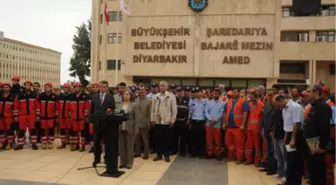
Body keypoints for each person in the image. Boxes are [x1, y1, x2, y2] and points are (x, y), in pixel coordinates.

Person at [273, 94, 304, 185]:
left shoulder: (295, 107)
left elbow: (296, 123)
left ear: (281, 100)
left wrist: (293, 139)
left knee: (295, 161)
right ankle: (289, 181)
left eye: (277, 105)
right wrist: (286, 136)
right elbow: (287, 124)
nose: (277, 107)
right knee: (289, 160)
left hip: (296, 135)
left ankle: (294, 182)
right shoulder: (284, 109)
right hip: (288, 135)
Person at [304, 85, 332, 185]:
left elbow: (324, 128)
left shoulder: (323, 106)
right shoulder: (314, 105)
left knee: (318, 170)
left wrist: (322, 146)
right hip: (311, 141)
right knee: (312, 169)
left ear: (316, 93)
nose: (307, 94)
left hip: (317, 142)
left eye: (309, 92)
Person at [151, 81, 177, 162]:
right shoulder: (155, 96)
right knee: (158, 139)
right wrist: (152, 119)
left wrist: (173, 120)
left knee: (166, 139)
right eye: (160, 86)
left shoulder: (171, 96)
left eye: (163, 86)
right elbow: (152, 109)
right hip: (157, 120)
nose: (162, 87)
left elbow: (174, 109)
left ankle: (166, 155)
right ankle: (159, 155)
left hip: (167, 121)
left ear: (167, 87)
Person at [223, 88, 249, 164]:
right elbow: (225, 113)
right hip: (229, 126)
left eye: (235, 92)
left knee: (239, 144)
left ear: (239, 93)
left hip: (238, 127)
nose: (234, 94)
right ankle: (232, 156)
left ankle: (239, 158)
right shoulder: (229, 102)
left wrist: (243, 124)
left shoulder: (244, 102)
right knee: (229, 143)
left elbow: (245, 114)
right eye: (233, 92)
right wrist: (224, 123)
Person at [15, 80, 39, 150]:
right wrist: (16, 116)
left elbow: (37, 105)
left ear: (30, 86)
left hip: (32, 115)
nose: (27, 86)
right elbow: (16, 105)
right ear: (24, 86)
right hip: (22, 115)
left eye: (28, 85)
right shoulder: (19, 94)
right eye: (26, 85)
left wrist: (37, 115)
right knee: (21, 130)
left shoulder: (35, 94)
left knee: (33, 129)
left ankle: (34, 144)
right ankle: (20, 144)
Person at [117, 90, 137, 169]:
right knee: (121, 147)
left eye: (127, 94)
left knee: (130, 147)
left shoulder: (134, 105)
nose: (125, 95)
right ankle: (122, 162)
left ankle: (129, 163)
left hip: (130, 127)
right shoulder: (119, 105)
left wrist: (136, 129)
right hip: (121, 127)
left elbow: (136, 118)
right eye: (124, 94)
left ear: (130, 95)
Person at [260, 88, 277, 175]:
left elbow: (277, 119)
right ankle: (268, 166)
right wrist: (262, 128)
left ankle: (273, 169)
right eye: (267, 95)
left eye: (271, 95)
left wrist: (273, 130)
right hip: (266, 130)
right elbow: (263, 116)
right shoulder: (266, 103)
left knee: (273, 150)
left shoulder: (276, 105)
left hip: (273, 132)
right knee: (268, 149)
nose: (269, 97)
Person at [244, 91, 264, 167]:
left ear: (256, 97)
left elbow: (262, 118)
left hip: (257, 128)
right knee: (248, 144)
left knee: (257, 145)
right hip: (249, 127)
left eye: (252, 97)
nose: (251, 99)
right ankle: (248, 159)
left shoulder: (261, 105)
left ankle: (257, 161)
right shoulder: (249, 104)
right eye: (250, 97)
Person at [69, 82, 89, 152]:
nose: (76, 88)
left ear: (80, 87)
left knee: (82, 132)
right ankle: (76, 145)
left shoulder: (85, 96)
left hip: (82, 117)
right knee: (75, 132)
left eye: (78, 87)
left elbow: (87, 107)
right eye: (75, 87)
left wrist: (86, 116)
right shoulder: (71, 96)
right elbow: (69, 107)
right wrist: (70, 116)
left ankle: (82, 146)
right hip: (74, 117)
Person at [205, 88, 224, 160]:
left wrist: (215, 120)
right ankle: (210, 153)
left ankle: (218, 154)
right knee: (209, 140)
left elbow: (221, 113)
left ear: (219, 94)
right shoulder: (208, 103)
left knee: (217, 140)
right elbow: (206, 112)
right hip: (209, 124)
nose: (214, 95)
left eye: (216, 93)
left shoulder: (222, 103)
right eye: (214, 93)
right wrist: (210, 119)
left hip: (217, 125)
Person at [38, 82, 58, 149]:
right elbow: (37, 105)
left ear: (51, 88)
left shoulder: (54, 96)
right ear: (44, 88)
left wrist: (56, 116)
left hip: (51, 117)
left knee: (51, 130)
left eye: (49, 87)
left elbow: (57, 107)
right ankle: (44, 143)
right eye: (46, 87)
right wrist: (38, 114)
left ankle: (50, 142)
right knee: (43, 130)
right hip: (42, 116)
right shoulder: (41, 95)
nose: (47, 88)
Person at [188, 87, 207, 158]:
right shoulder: (192, 101)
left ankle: (201, 153)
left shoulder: (205, 101)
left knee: (201, 138)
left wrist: (206, 122)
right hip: (194, 121)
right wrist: (189, 121)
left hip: (202, 121)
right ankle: (194, 153)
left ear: (201, 93)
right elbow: (190, 112)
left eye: (198, 92)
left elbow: (206, 112)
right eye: (196, 92)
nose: (197, 94)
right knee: (194, 138)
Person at [134, 84, 151, 159]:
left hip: (144, 123)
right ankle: (137, 152)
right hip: (136, 123)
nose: (141, 91)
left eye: (142, 90)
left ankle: (146, 153)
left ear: (145, 91)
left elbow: (150, 113)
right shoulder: (135, 100)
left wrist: (149, 123)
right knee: (136, 139)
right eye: (140, 90)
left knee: (145, 140)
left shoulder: (149, 101)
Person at [0, 82, 18, 150]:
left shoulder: (13, 96)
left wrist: (15, 116)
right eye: (4, 87)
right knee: (1, 130)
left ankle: (9, 143)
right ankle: (2, 142)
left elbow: (15, 107)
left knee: (9, 130)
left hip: (9, 117)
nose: (5, 88)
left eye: (7, 87)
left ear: (9, 88)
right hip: (1, 116)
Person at [173, 86, 190, 157]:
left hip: (184, 122)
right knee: (174, 137)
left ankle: (182, 152)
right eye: (179, 91)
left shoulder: (188, 99)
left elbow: (190, 111)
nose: (180, 93)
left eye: (182, 91)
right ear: (177, 92)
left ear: (184, 92)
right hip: (175, 121)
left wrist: (188, 119)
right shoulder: (174, 99)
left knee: (183, 138)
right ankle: (174, 150)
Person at [57, 83, 71, 149]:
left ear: (69, 89)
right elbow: (57, 106)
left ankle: (71, 143)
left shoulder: (71, 96)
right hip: (61, 116)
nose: (65, 89)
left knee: (69, 130)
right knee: (62, 130)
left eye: (67, 88)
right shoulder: (60, 96)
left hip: (68, 117)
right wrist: (57, 115)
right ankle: (63, 143)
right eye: (64, 88)